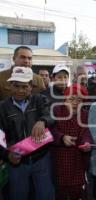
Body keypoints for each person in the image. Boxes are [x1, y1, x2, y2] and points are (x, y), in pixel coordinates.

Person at [0, 66, 54, 200]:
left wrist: (43, 121)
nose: (20, 90)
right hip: (17, 161)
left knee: (45, 194)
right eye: (16, 86)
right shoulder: (2, 107)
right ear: (10, 85)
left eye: (24, 86)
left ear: (31, 86)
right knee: (19, 195)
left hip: (41, 158)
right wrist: (7, 155)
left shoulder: (40, 100)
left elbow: (51, 116)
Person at [51, 83, 92, 200]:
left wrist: (87, 143)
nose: (75, 102)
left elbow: (87, 132)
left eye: (79, 99)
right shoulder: (56, 110)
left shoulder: (86, 114)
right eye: (72, 98)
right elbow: (50, 130)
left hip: (78, 159)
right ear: (65, 98)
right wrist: (62, 137)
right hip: (59, 159)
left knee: (77, 192)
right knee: (60, 192)